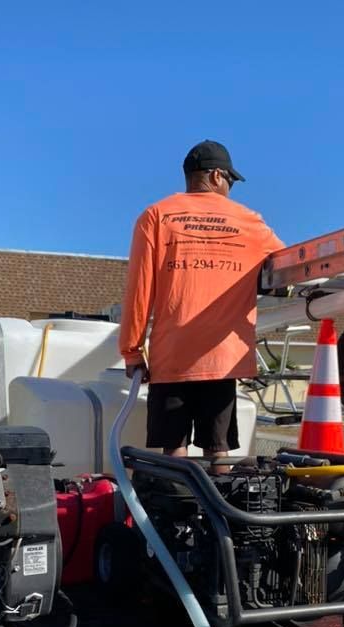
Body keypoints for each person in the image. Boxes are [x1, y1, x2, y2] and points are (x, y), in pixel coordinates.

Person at [118, 139, 284, 471]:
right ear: (218, 176)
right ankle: (221, 517)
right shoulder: (249, 221)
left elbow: (139, 291)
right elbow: (285, 267)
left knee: (174, 449)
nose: (231, 188)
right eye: (231, 181)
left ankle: (173, 516)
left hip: (173, 354)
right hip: (222, 355)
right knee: (218, 450)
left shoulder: (156, 216)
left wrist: (132, 351)